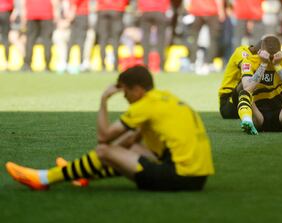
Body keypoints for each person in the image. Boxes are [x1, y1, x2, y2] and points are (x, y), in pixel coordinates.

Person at [6, 65, 214, 191]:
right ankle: (83, 174)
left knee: (104, 150)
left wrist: (104, 100)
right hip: (197, 177)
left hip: (179, 177)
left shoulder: (145, 105)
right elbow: (130, 142)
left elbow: (103, 137)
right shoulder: (164, 98)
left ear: (138, 90)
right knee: (124, 148)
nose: (124, 97)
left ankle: (43, 178)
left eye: (125, 92)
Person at [186, 0, 225, 75]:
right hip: (211, 10)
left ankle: (193, 62)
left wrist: (189, 8)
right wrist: (221, 11)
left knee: (194, 38)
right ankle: (208, 63)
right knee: (213, 39)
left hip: (196, 10)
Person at [21, 0, 59, 72]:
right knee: (47, 40)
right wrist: (56, 13)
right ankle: (47, 65)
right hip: (47, 13)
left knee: (30, 40)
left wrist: (24, 15)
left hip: (31, 13)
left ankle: (27, 64)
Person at [137, 0, 171, 72]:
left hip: (146, 9)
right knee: (161, 39)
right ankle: (161, 66)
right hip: (160, 10)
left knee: (145, 39)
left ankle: (145, 64)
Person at [97, 0, 129, 72]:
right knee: (116, 39)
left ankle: (103, 66)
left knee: (103, 39)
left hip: (103, 9)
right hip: (117, 9)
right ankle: (115, 65)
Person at [0, 0, 13, 71]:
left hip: (5, 11)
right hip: (5, 12)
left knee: (5, 39)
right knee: (5, 38)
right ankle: (7, 63)